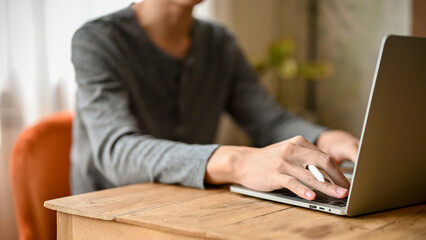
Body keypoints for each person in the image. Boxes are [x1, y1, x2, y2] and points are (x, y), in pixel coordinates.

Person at [70, 0, 359, 201]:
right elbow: (116, 150)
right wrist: (238, 162)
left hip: (189, 206)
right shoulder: (97, 40)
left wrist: (324, 138)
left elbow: (268, 120)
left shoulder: (220, 44)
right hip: (106, 215)